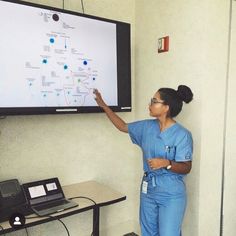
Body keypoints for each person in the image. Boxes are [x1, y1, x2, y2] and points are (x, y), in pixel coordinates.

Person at [93, 85, 193, 236]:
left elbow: (186, 167)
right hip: (148, 189)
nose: (150, 105)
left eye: (154, 101)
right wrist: (104, 106)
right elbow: (123, 126)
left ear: (166, 107)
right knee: (148, 232)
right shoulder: (146, 127)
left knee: (168, 233)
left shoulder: (182, 134)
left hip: (171, 192)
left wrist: (167, 164)